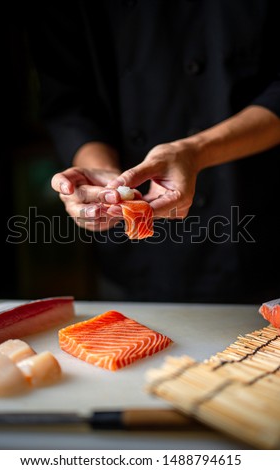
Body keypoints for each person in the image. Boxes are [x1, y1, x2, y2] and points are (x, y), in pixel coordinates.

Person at [28, 1, 280, 303]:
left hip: (254, 219)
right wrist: (105, 178)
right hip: (135, 259)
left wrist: (195, 152)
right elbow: (68, 100)